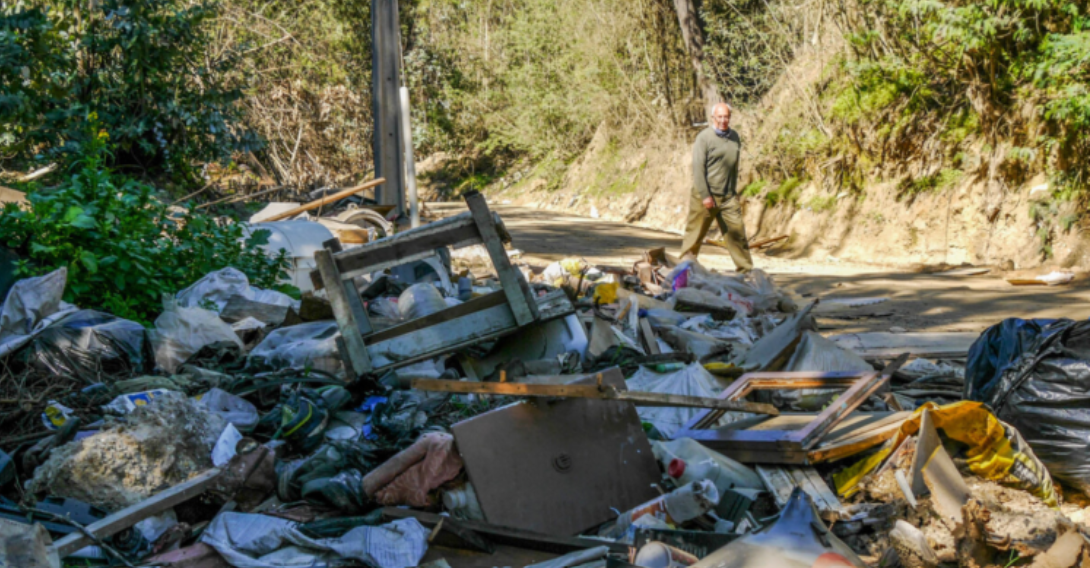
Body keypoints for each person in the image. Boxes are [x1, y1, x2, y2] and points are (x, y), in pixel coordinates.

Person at [681, 102, 754, 272]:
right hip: (705, 195)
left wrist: (733, 191)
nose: (723, 120)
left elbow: (734, 167)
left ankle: (746, 273)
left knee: (738, 235)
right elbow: (698, 168)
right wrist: (705, 195)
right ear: (713, 118)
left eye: (726, 116)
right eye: (720, 117)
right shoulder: (704, 138)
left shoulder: (734, 136)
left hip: (727, 197)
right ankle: (682, 274)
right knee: (694, 236)